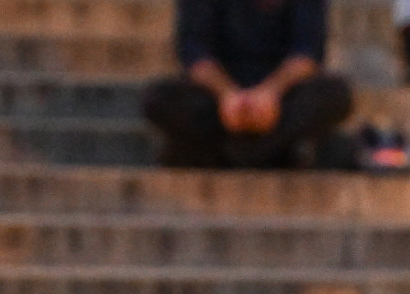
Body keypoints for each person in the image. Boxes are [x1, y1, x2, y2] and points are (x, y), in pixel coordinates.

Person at [143, 0, 354, 169]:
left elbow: (307, 54)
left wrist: (270, 93)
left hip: (282, 99)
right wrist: (227, 95)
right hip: (218, 100)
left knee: (335, 94)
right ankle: (271, 153)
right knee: (159, 98)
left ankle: (231, 153)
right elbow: (194, 53)